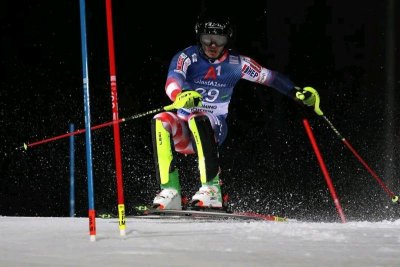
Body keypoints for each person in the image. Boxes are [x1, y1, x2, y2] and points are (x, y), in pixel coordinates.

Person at [151, 12, 321, 210]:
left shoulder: (237, 64)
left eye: (219, 39)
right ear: (199, 37)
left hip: (213, 128)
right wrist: (179, 95)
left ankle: (212, 189)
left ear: (228, 39)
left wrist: (296, 92)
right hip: (184, 132)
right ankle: (170, 191)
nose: (212, 45)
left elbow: (270, 77)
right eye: (207, 39)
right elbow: (173, 79)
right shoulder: (187, 57)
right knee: (160, 120)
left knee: (198, 118)